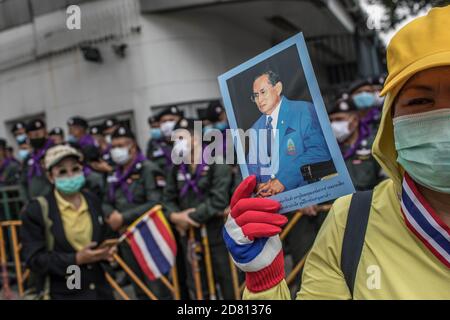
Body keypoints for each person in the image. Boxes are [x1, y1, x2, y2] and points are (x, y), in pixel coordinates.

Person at [224, 5, 450, 299]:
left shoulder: (303, 113)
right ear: (391, 120)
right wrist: (264, 281)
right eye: (420, 101)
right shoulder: (350, 222)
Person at [20, 144, 115, 299]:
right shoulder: (38, 210)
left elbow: (103, 235)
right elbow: (35, 259)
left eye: (75, 169)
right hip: (70, 279)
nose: (70, 175)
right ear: (51, 177)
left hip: (99, 285)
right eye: (62, 171)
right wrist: (76, 259)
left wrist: (106, 250)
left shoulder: (91, 199)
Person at [163, 118, 235, 299]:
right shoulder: (176, 168)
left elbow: (219, 200)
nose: (176, 145)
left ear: (195, 138)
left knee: (228, 283)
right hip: (190, 238)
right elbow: (167, 199)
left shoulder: (217, 162)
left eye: (180, 139)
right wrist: (174, 217)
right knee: (198, 285)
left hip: (217, 234)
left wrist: (189, 218)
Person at [102, 125, 170, 299]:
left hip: (147, 235)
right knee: (138, 287)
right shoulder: (114, 173)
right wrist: (111, 216)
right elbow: (105, 201)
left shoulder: (148, 169)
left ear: (132, 146)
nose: (117, 150)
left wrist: (123, 217)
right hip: (126, 237)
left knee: (157, 287)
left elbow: (156, 202)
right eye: (114, 146)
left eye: (122, 145)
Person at [247, 70, 332, 196]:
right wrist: (258, 186)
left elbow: (320, 152)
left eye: (263, 92)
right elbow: (252, 168)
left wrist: (284, 180)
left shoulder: (303, 111)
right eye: (255, 95)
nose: (259, 99)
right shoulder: (255, 128)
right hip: (271, 206)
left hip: (306, 199)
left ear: (278, 88)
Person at [329, 93, 385, 191]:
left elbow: (386, 182)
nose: (333, 124)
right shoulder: (327, 152)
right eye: (331, 120)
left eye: (339, 119)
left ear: (354, 120)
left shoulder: (375, 146)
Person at [20, 119, 54, 199]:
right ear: (29, 137)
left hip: (53, 199)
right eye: (34, 135)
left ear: (45, 133)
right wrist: (27, 201)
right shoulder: (29, 158)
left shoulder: (54, 151)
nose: (37, 137)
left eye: (39, 134)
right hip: (35, 202)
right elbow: (23, 181)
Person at [147, 106, 183, 172]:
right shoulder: (155, 144)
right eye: (164, 121)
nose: (167, 124)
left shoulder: (190, 141)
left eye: (171, 120)